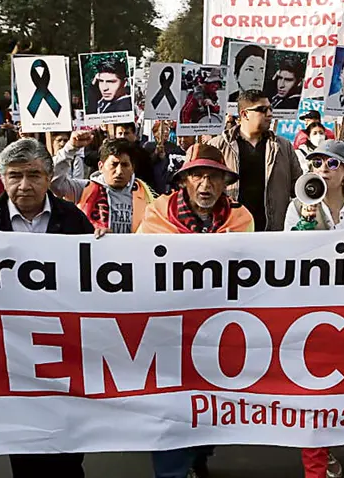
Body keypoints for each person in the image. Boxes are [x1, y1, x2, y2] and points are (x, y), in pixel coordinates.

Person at [0, 138, 90, 478]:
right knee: (23, 442)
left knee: (67, 444)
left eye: (34, 175)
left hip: (64, 348)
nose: (24, 185)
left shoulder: (74, 220)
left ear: (49, 177)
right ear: (2, 178)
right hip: (11, 353)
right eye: (15, 176)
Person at [136, 143, 252, 478]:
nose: (206, 185)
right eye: (198, 175)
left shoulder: (242, 218)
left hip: (217, 331)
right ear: (184, 180)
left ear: (224, 182)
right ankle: (173, 471)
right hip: (168, 330)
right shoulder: (156, 214)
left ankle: (198, 456)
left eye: (214, 177)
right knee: (171, 408)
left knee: (207, 406)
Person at [284, 139, 344, 478]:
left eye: (331, 164)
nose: (322, 169)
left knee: (343, 385)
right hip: (312, 308)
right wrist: (306, 223)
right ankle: (316, 458)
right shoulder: (298, 205)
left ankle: (329, 445)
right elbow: (288, 256)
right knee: (315, 387)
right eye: (316, 164)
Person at [209, 89, 301, 231]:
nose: (270, 114)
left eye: (271, 109)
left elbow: (298, 188)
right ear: (244, 114)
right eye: (262, 110)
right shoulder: (217, 146)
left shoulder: (283, 147)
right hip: (230, 232)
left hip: (272, 234)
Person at [51, 132, 157, 234]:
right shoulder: (84, 188)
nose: (119, 171)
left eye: (125, 165)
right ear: (101, 167)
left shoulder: (145, 193)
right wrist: (70, 148)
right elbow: (53, 182)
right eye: (114, 164)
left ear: (133, 168)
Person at [143, 120, 186, 195]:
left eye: (167, 129)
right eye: (163, 130)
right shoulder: (148, 146)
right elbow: (146, 164)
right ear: (155, 133)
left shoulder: (173, 147)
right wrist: (156, 153)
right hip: (152, 182)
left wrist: (164, 157)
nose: (166, 132)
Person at [113, 122, 157, 189]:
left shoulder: (142, 154)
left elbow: (149, 177)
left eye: (126, 133)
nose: (123, 137)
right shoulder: (111, 154)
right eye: (120, 133)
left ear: (134, 135)